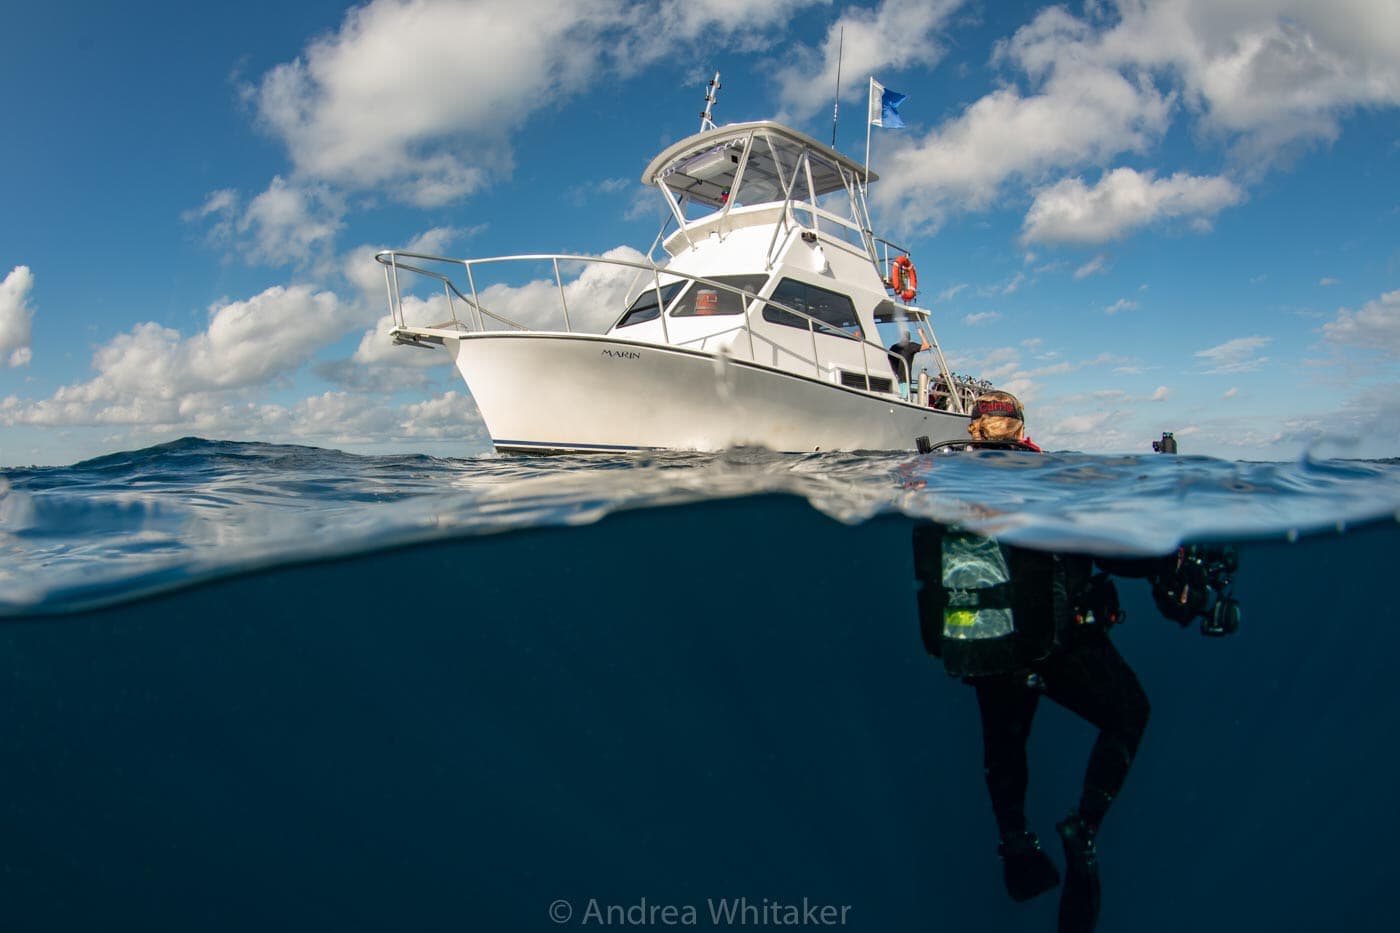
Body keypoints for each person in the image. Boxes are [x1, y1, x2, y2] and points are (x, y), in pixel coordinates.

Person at [911, 391, 1233, 933]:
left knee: (1005, 747)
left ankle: (1014, 839)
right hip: (1060, 647)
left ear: (972, 427)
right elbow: (1109, 551)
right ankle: (1083, 826)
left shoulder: (937, 477)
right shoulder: (1050, 477)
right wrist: (1165, 556)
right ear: (1020, 427)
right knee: (1129, 713)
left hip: (987, 642)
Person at [887, 328, 926, 398]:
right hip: (905, 380)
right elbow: (926, 346)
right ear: (909, 338)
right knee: (903, 400)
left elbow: (889, 361)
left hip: (894, 379)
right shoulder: (910, 346)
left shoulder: (893, 347)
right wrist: (921, 334)